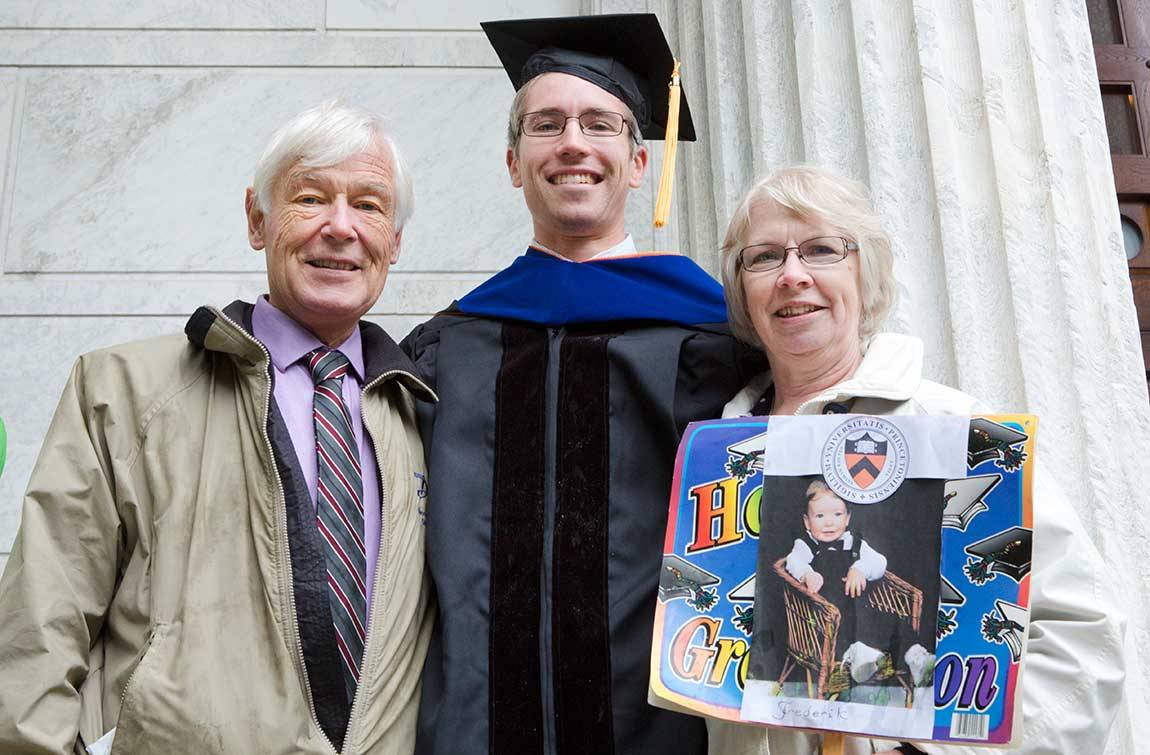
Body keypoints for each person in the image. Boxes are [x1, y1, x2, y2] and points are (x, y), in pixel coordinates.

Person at [0, 101, 435, 755]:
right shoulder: (122, 391)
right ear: (258, 220)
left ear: (395, 242)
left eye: (369, 206)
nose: (340, 227)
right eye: (311, 198)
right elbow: (40, 623)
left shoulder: (425, 415)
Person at [402, 14, 760, 755]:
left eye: (601, 123)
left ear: (636, 164)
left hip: (664, 732)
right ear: (511, 162)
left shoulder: (718, 343)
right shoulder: (447, 348)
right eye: (547, 124)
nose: (573, 142)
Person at [710, 164, 1126, 754]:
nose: (793, 276)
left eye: (823, 250)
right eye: (765, 257)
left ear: (866, 273)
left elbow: (1085, 635)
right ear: (742, 287)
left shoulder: (952, 429)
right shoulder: (716, 453)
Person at [783, 479, 933, 689]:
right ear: (807, 522)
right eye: (820, 516)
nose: (829, 523)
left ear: (847, 518)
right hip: (825, 617)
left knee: (892, 621)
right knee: (846, 631)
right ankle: (860, 658)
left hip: (861, 607)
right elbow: (793, 561)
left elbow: (880, 563)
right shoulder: (806, 544)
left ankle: (916, 658)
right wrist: (807, 574)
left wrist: (860, 568)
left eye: (837, 515)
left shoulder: (855, 543)